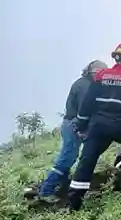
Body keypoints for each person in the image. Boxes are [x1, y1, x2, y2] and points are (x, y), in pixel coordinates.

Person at [68, 42, 121, 211]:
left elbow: (87, 103)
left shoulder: (101, 76)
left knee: (87, 161)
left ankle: (74, 203)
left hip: (97, 127)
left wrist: (81, 124)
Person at [24, 60, 108, 203]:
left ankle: (63, 186)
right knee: (67, 158)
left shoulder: (84, 83)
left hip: (71, 124)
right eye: (100, 73)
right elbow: (85, 109)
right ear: (92, 72)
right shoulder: (85, 85)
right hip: (74, 125)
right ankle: (46, 191)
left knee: (70, 157)